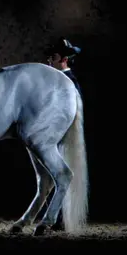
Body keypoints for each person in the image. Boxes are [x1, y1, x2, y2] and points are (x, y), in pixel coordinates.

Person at [41, 37, 82, 231]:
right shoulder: (58, 80)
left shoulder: (68, 81)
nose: (49, 61)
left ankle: (60, 219)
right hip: (53, 133)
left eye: (53, 57)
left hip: (61, 135)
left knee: (60, 174)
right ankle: (56, 218)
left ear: (63, 59)